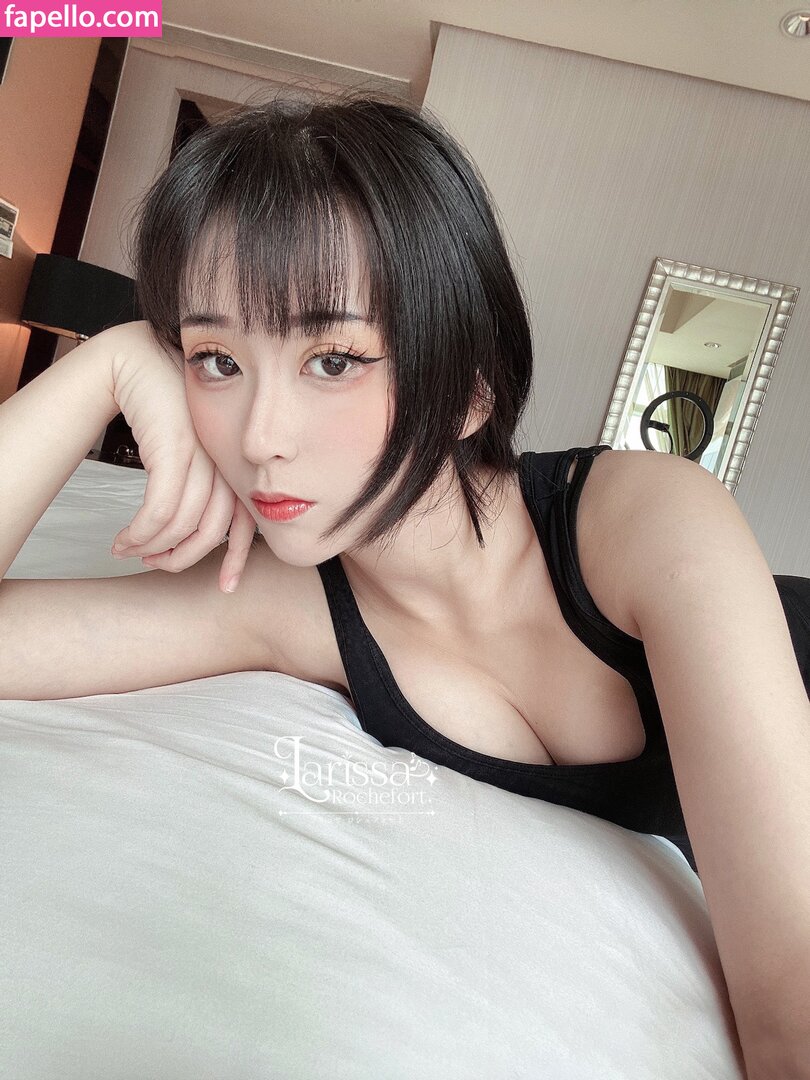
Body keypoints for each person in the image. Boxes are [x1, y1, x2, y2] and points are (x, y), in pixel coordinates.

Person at [1, 90, 809, 1076]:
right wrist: (112, 364)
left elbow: (791, 1006)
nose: (260, 438)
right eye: (215, 359)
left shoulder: (650, 521)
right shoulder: (286, 601)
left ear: (469, 387)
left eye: (333, 359)